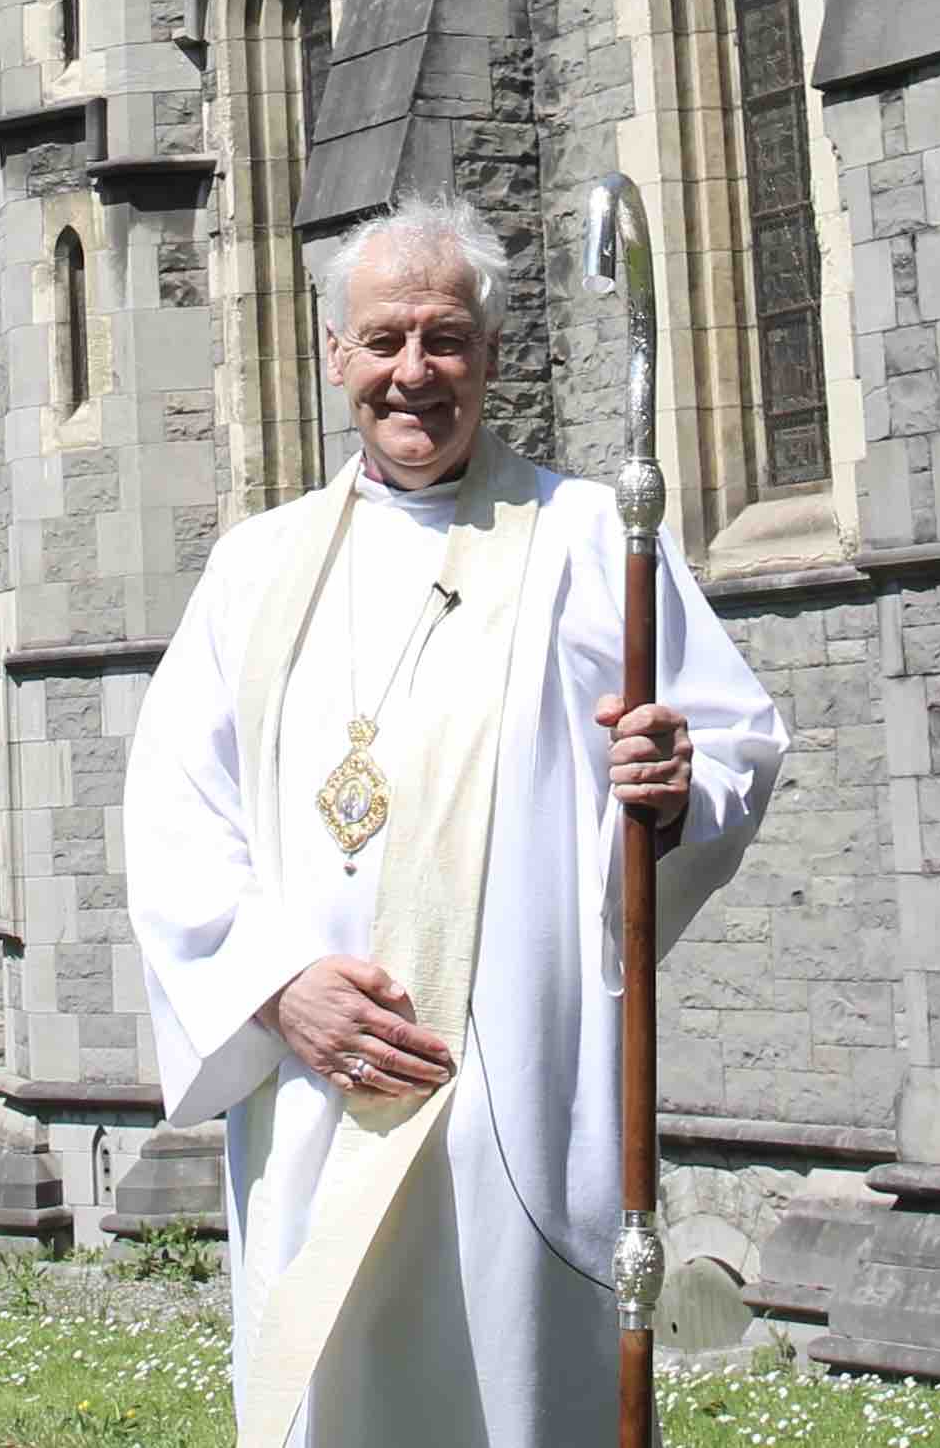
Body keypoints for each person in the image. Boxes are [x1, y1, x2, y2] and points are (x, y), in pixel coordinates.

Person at [125, 194, 784, 1447]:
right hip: (322, 1092)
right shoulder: (253, 568)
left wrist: (670, 785)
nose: (411, 374)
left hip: (515, 1098)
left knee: (513, 1388)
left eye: (443, 339)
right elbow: (174, 813)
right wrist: (275, 986)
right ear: (333, 356)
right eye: (381, 342)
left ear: (488, 353)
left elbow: (731, 741)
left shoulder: (593, 537)